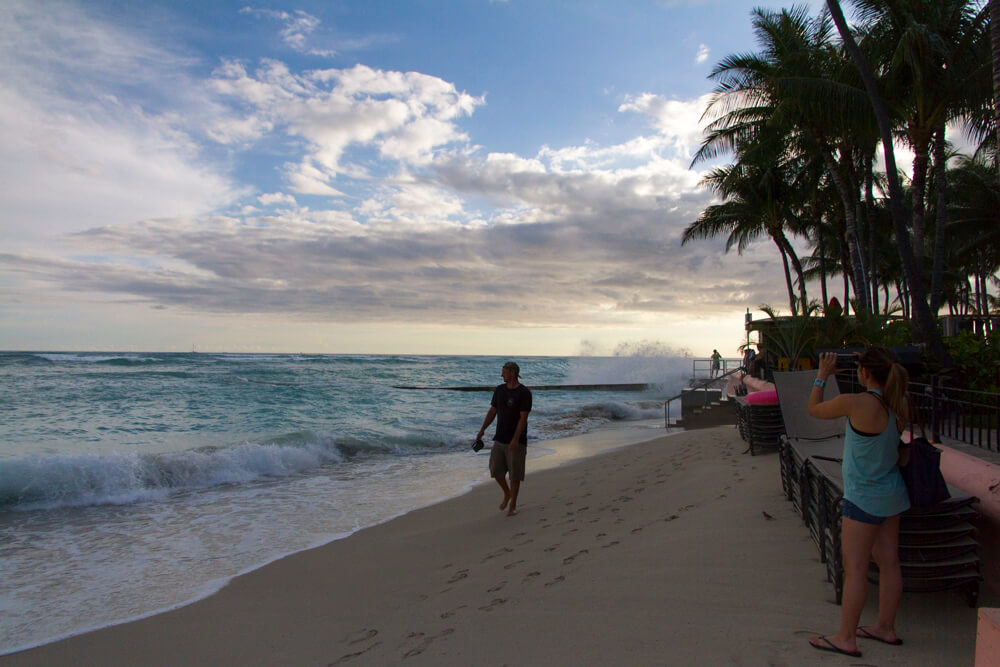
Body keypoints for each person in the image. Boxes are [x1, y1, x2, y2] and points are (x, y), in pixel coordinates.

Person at [807, 348, 911, 658]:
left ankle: (846, 637)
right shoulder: (899, 402)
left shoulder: (856, 402)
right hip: (892, 494)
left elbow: (814, 410)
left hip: (863, 498)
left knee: (854, 568)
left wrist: (822, 376)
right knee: (889, 562)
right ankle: (885, 627)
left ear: (864, 372)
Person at [476, 361, 532, 516]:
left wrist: (515, 439)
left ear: (512, 373)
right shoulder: (500, 390)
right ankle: (507, 494)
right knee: (496, 470)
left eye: (504, 372)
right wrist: (482, 430)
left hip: (517, 442)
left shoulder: (524, 393)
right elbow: (492, 411)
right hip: (499, 439)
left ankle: (512, 504)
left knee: (515, 475)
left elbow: (523, 418)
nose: (501, 375)